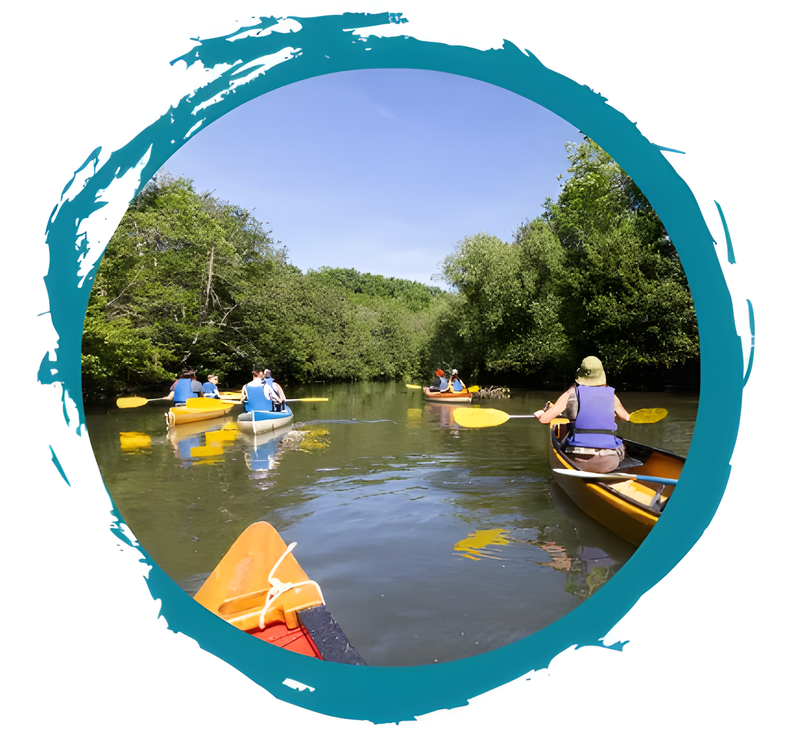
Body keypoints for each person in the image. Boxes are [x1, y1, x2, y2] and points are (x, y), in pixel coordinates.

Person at [533, 356, 630, 474]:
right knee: (621, 443)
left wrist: (540, 414)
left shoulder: (571, 393)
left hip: (578, 461)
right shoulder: (612, 395)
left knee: (566, 440)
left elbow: (544, 420)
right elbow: (626, 417)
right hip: (608, 463)